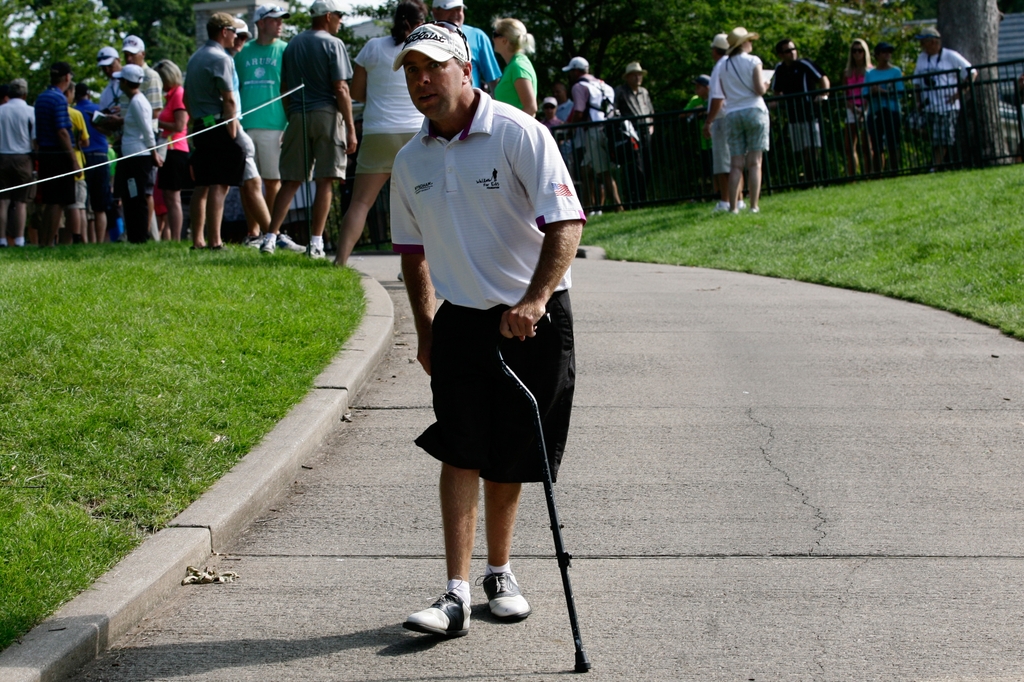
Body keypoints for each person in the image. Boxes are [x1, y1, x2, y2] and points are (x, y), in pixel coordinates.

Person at [389, 21, 584, 639]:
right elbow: (411, 250)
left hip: (533, 319)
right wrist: (425, 327)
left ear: (465, 68)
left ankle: (501, 573)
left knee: (511, 453)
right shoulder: (410, 157)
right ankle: (455, 594)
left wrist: (534, 299)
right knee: (459, 447)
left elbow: (566, 223)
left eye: (434, 68)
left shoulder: (518, 133)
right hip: (462, 322)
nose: (422, 81)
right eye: (412, 71)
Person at [333, 0, 427, 266]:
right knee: (420, 206)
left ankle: (340, 261)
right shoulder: (423, 49)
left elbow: (357, 93)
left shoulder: (372, 48)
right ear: (418, 22)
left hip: (378, 133)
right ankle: (417, 267)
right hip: (415, 133)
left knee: (361, 203)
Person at [264, 0, 358, 259]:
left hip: (297, 116)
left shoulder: (292, 44)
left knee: (291, 181)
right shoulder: (333, 43)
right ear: (327, 17)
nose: (339, 21)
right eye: (338, 16)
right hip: (327, 115)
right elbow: (340, 87)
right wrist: (350, 127)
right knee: (325, 180)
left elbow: (284, 87)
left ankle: (270, 237)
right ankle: (316, 243)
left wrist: (291, 116)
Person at [185, 11, 249, 250]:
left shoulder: (195, 57)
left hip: (201, 125)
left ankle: (197, 240)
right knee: (219, 184)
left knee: (202, 184)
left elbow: (186, 98)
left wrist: (196, 119)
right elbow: (229, 99)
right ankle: (215, 241)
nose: (236, 36)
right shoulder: (221, 58)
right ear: (224, 32)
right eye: (234, 31)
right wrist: (232, 131)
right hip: (220, 124)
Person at [235, 4, 292, 248]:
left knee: (272, 182)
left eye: (281, 20)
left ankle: (274, 234)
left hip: (276, 125)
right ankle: (254, 234)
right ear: (260, 23)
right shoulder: (242, 52)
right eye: (274, 20)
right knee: (249, 182)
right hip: (245, 125)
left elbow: (291, 87)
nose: (280, 24)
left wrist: (289, 123)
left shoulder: (286, 50)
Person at [719, 27, 769, 213]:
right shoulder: (753, 61)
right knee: (755, 162)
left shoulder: (723, 65)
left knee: (735, 164)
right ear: (744, 44)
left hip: (732, 113)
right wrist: (767, 83)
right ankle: (753, 206)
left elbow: (724, 92)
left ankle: (733, 208)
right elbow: (759, 90)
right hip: (754, 109)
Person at [565, 56, 624, 214]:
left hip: (592, 131)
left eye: (570, 72)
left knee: (603, 171)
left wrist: (569, 130)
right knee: (585, 170)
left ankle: (619, 207)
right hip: (607, 129)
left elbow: (579, 111)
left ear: (576, 71)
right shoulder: (604, 85)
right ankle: (588, 208)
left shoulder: (579, 87)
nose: (569, 75)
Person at [913, 26, 975, 167]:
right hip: (928, 105)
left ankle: (935, 166)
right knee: (912, 125)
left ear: (933, 42)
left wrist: (959, 94)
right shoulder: (921, 58)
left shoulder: (950, 56)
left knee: (943, 138)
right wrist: (917, 101)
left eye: (924, 42)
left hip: (946, 105)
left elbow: (972, 72)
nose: (921, 46)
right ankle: (935, 150)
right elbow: (916, 81)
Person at [115, 64, 163, 243]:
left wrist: (154, 153)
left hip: (138, 157)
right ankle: (135, 235)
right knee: (131, 196)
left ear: (126, 82)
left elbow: (147, 130)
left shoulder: (138, 102)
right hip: (132, 156)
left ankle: (140, 236)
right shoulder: (136, 101)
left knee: (137, 197)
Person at [771, 38, 829, 183]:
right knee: (803, 150)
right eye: (788, 51)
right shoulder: (780, 69)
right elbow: (776, 91)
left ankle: (812, 178)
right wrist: (774, 104)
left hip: (810, 113)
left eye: (793, 49)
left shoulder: (804, 64)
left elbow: (823, 78)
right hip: (793, 116)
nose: (792, 53)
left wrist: (824, 94)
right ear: (781, 54)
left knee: (812, 148)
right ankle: (809, 177)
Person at [35, 62, 80, 247]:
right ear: (67, 78)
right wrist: (73, 160)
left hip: (44, 153)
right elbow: (62, 131)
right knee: (58, 202)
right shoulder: (59, 99)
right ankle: (47, 244)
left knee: (49, 201)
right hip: (58, 154)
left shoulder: (41, 97)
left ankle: (43, 242)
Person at [703, 33, 743, 212]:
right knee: (735, 160)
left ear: (714, 50)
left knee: (723, 163)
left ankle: (726, 200)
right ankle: (739, 198)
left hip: (722, 117)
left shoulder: (720, 66)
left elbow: (717, 97)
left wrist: (708, 120)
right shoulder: (733, 63)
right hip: (733, 114)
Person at [153, 59, 190, 241]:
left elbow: (180, 124)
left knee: (174, 197)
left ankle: (176, 237)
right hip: (166, 149)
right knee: (167, 196)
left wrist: (155, 122)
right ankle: (171, 236)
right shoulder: (168, 96)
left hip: (176, 149)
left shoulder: (179, 94)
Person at [430, 0, 501, 92]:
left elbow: (493, 81)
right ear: (435, 12)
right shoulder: (423, 39)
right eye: (449, 9)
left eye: (458, 9)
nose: (455, 14)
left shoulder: (478, 37)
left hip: (471, 104)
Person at [75, 83, 112, 243]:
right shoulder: (98, 109)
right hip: (102, 156)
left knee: (83, 203)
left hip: (84, 157)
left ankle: (85, 240)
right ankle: (100, 241)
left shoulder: (74, 112)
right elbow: (109, 130)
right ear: (88, 94)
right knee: (100, 206)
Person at [614, 61, 654, 208]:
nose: (637, 77)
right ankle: (634, 200)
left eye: (639, 74)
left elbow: (650, 112)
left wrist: (651, 126)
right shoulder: (620, 91)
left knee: (647, 164)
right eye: (634, 75)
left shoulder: (644, 92)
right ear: (627, 77)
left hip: (646, 130)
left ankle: (643, 199)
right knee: (635, 167)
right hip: (630, 131)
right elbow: (615, 112)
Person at [0, 78, 34, 247]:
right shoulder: (30, 111)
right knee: (21, 201)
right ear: (25, 93)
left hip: (2, 157)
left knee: (3, 200)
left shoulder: (1, 110)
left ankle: (2, 239)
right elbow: (34, 138)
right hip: (23, 157)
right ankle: (20, 239)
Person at [863, 42, 904, 173]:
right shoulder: (870, 74)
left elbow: (900, 92)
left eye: (889, 52)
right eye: (884, 52)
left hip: (892, 111)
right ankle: (878, 174)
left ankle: (894, 171)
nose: (887, 54)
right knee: (876, 145)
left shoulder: (895, 71)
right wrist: (872, 92)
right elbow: (864, 93)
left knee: (893, 144)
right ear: (877, 55)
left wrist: (882, 91)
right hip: (875, 111)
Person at [491, 18, 537, 116]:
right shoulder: (514, 65)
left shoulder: (518, 66)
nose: (492, 39)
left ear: (504, 40)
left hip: (517, 131)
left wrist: (512, 130)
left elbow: (531, 107)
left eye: (495, 35)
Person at [63, 79, 90, 243]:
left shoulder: (54, 112)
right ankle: (81, 238)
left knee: (64, 206)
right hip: (77, 162)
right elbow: (85, 141)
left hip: (60, 163)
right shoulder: (75, 114)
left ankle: (65, 240)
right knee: (79, 205)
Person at [842, 39, 872, 177]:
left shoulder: (870, 71)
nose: (857, 53)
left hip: (866, 107)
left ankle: (869, 174)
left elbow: (870, 90)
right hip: (851, 108)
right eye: (854, 51)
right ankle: (852, 176)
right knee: (850, 146)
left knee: (867, 145)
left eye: (860, 50)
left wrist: (863, 109)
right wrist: (852, 107)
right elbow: (845, 93)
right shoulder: (847, 72)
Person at [683, 75, 713, 188]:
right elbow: (682, 114)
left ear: (707, 88)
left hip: (717, 139)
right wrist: (696, 111)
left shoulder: (715, 98)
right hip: (704, 141)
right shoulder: (695, 100)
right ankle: (715, 193)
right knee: (710, 169)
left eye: (698, 87)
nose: (696, 89)